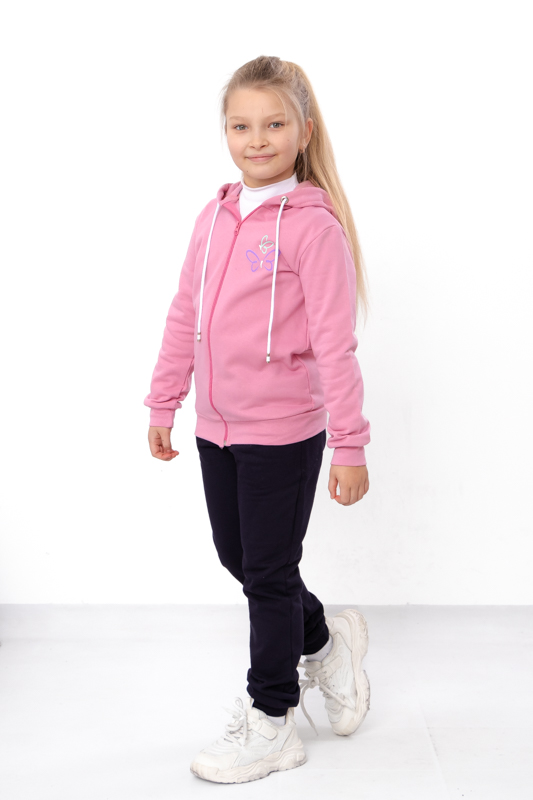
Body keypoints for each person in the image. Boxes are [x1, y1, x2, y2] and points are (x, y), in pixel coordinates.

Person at [144, 55, 372, 784]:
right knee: (240, 560)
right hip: (216, 427)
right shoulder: (213, 218)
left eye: (274, 124)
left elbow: (335, 343)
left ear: (304, 131)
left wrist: (350, 445)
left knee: (268, 575)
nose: (257, 139)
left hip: (284, 431)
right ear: (225, 132)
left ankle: (272, 720)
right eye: (241, 125)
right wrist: (164, 399)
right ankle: (325, 642)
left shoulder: (312, 227)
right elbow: (184, 314)